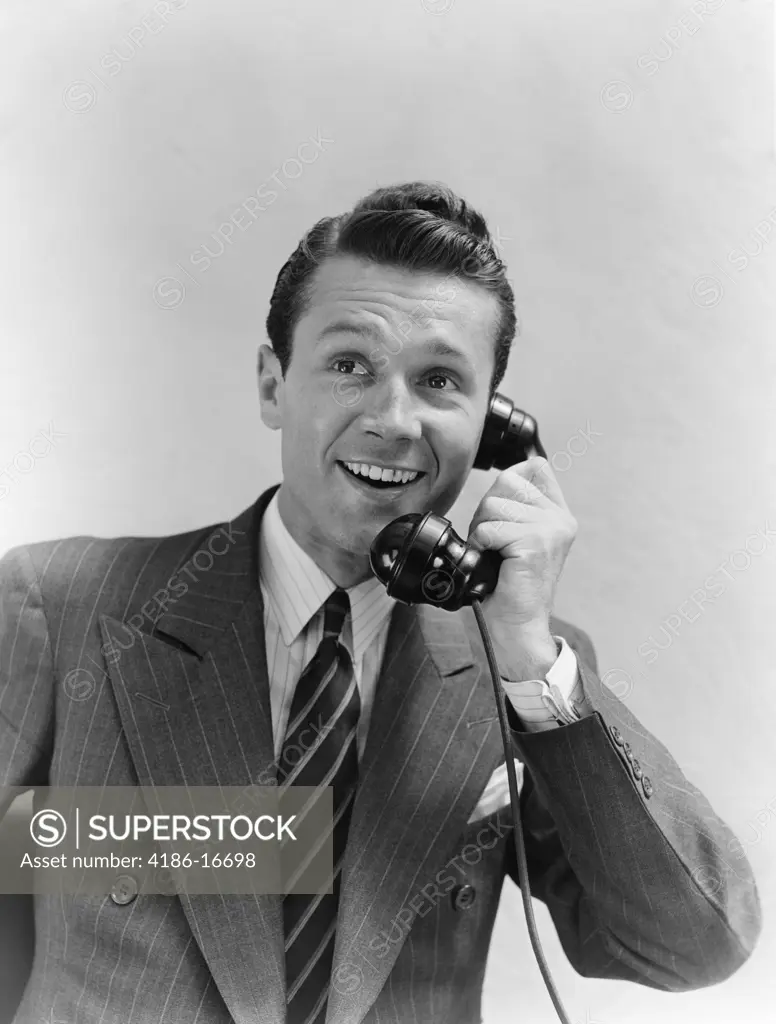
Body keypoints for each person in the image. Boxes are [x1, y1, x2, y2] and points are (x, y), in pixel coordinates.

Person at [0, 181, 761, 1024]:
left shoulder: (517, 669)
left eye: (440, 380)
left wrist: (530, 667)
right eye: (349, 364)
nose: (395, 420)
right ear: (271, 383)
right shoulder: (57, 604)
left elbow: (694, 946)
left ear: (492, 430)